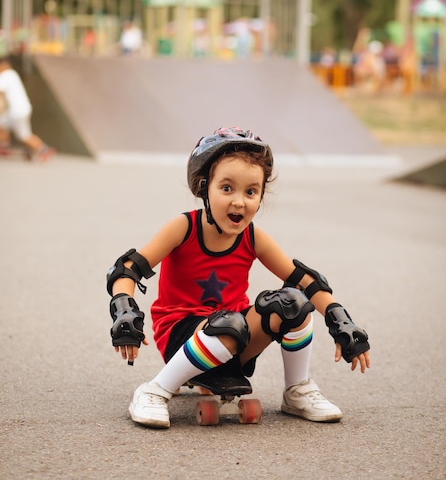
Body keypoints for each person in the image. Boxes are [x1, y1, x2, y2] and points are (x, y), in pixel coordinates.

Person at [107, 127, 370, 429]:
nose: (239, 202)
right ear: (204, 187)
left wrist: (341, 320)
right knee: (230, 324)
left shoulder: (253, 237)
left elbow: (306, 281)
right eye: (227, 188)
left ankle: (297, 390)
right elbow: (127, 269)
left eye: (251, 191)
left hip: (237, 338)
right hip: (181, 335)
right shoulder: (184, 227)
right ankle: (155, 390)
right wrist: (124, 309)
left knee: (293, 303)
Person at [0, 57, 55, 161]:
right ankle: (42, 149)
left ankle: (4, 145)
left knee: (1, 123)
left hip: (16, 111)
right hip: (24, 108)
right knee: (24, 135)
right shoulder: (13, 74)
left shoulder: (6, 75)